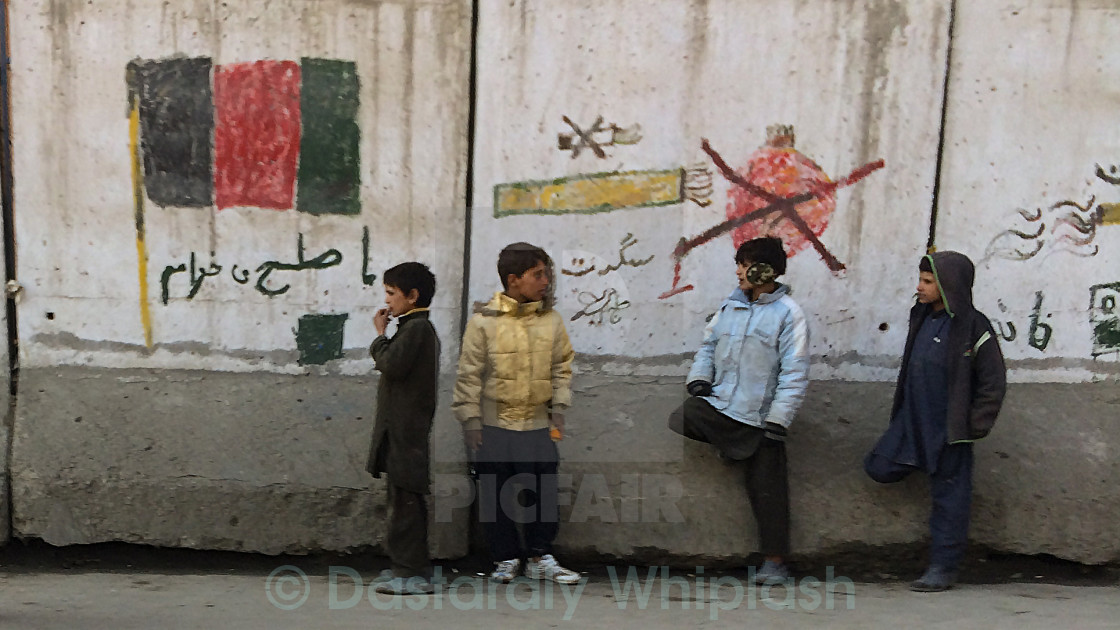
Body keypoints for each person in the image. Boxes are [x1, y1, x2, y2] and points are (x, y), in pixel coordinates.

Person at [668, 236, 810, 586]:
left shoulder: (789, 314)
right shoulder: (729, 308)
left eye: (745, 265)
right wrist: (700, 379)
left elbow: (795, 372)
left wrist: (779, 420)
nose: (738, 272)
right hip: (723, 409)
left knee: (768, 493)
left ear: (766, 270)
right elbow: (708, 346)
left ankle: (775, 563)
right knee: (683, 415)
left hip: (761, 420)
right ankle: (735, 445)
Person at [864, 251, 1006, 592]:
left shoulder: (974, 326)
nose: (920, 287)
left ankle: (943, 567)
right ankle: (919, 461)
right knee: (878, 466)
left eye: (928, 282)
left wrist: (974, 424)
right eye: (921, 280)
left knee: (950, 498)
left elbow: (993, 381)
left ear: (949, 285)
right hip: (912, 420)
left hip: (949, 428)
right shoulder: (923, 318)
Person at [452, 242, 580, 585]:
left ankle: (540, 556)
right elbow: (469, 375)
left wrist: (559, 409)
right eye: (537, 274)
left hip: (538, 422)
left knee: (544, 491)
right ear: (513, 280)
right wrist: (471, 421)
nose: (546, 281)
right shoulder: (483, 323)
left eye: (547, 273)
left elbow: (562, 367)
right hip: (494, 424)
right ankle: (505, 558)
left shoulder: (551, 321)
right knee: (495, 493)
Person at [365, 262, 441, 595]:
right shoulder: (411, 328)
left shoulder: (418, 330)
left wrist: (379, 336)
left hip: (407, 432)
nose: (388, 301)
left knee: (408, 503)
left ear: (413, 296)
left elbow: (392, 365)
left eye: (392, 294)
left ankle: (412, 571)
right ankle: (405, 567)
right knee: (401, 500)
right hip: (401, 431)